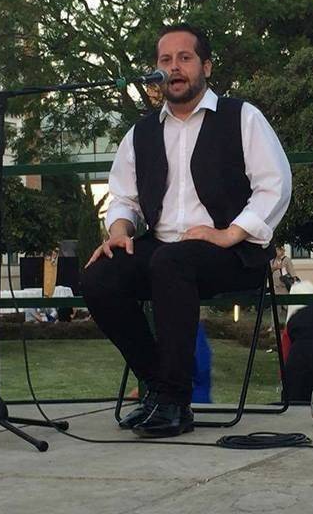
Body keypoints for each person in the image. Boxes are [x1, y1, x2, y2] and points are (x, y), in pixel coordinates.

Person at [80, 24, 292, 438]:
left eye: (184, 58)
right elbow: (124, 198)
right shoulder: (140, 133)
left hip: (233, 253)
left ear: (206, 66)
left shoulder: (241, 117)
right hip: (164, 250)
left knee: (171, 262)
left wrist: (230, 232)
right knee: (100, 275)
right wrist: (120, 229)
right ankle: (160, 387)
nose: (174, 68)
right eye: (165, 60)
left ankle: (174, 401)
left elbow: (276, 185)